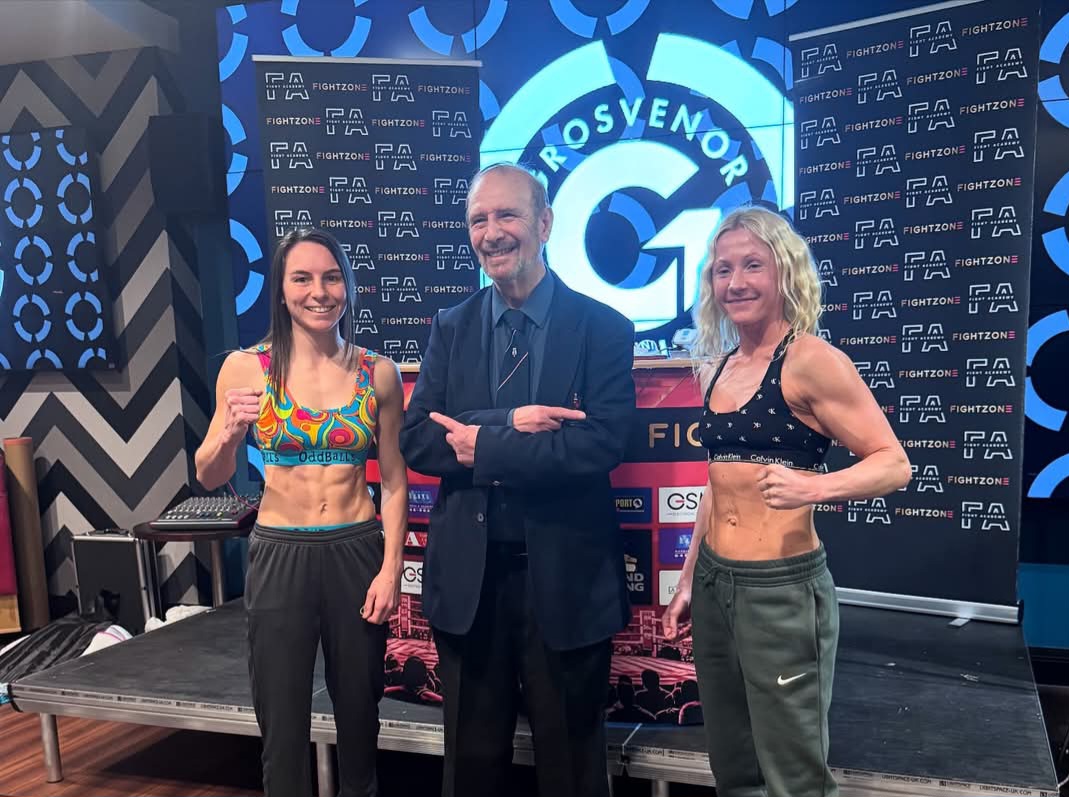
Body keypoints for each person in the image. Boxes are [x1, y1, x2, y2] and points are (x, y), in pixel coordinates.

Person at [399, 163, 635, 797]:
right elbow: (418, 438)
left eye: (507, 215)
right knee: (471, 770)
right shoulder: (450, 326)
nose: (492, 232)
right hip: (470, 588)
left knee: (573, 773)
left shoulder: (604, 328)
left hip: (566, 583)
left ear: (545, 223)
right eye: (478, 219)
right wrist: (509, 422)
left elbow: (601, 443)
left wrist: (481, 445)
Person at [661, 205, 911, 797]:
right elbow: (718, 484)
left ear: (784, 272)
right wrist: (690, 578)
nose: (736, 282)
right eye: (723, 269)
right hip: (716, 583)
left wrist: (816, 486)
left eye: (752, 265)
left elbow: (893, 463)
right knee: (733, 766)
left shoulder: (811, 361)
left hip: (780, 590)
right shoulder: (719, 366)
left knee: (793, 775)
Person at [194, 228, 407, 797]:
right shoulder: (245, 368)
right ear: (282, 289)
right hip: (280, 552)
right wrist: (230, 434)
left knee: (360, 716)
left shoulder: (378, 372)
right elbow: (208, 473)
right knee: (281, 721)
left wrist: (391, 570)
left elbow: (393, 480)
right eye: (303, 278)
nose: (319, 292)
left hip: (356, 550)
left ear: (348, 286)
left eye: (331, 277)